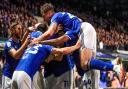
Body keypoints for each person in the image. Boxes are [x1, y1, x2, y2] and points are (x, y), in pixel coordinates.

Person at [32, 3, 121, 88]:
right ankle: (111, 65)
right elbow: (59, 40)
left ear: (49, 13)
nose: (43, 18)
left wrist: (38, 41)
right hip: (83, 32)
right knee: (84, 67)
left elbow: (50, 34)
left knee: (85, 64)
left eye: (43, 16)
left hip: (84, 30)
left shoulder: (56, 16)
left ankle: (114, 66)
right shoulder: (68, 30)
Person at [11, 39, 80, 89]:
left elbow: (56, 58)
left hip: (15, 74)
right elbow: (61, 51)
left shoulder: (30, 48)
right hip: (25, 74)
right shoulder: (45, 47)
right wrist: (75, 46)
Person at [2, 22, 32, 89]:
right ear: (12, 30)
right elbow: (16, 55)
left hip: (16, 75)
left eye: (21, 29)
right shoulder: (8, 43)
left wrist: (27, 31)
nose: (21, 31)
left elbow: (22, 41)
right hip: (8, 76)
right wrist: (26, 43)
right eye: (19, 29)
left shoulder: (18, 42)